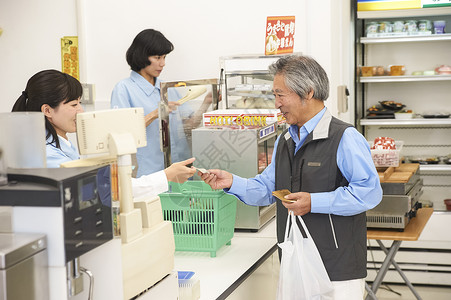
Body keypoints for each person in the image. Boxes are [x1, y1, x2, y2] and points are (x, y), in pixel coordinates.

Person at [199, 55, 383, 299]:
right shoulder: (285, 140)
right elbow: (267, 188)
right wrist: (232, 182)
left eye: (280, 95)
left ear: (307, 92)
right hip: (295, 265)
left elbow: (369, 193)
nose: (276, 103)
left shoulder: (345, 137)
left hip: (336, 270)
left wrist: (314, 202)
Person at [12, 69, 196, 198]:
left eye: (80, 103)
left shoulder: (62, 145)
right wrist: (166, 176)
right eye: (74, 105)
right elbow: (104, 189)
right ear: (47, 110)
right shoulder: (46, 155)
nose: (81, 111)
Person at [111, 29, 213, 177]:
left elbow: (188, 126)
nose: (163, 63)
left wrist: (207, 102)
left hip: (180, 170)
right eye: (158, 57)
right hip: (149, 174)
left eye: (164, 57)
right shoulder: (124, 89)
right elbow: (121, 133)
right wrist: (156, 113)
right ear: (141, 55)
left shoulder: (168, 88)